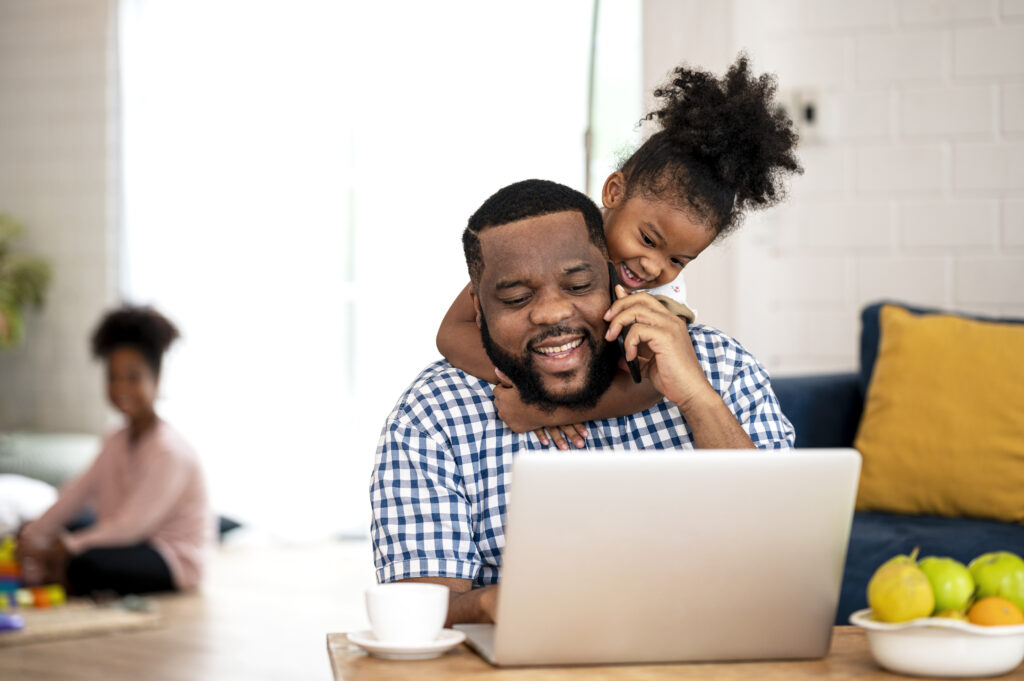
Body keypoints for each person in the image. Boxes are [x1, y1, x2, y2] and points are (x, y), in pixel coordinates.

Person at [371, 178, 795, 626]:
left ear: (610, 277)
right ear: (479, 306)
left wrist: (695, 396)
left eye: (578, 286)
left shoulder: (719, 368)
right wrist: (485, 604)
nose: (552, 313)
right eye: (516, 298)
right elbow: (410, 618)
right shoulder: (433, 416)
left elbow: (784, 563)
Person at [436, 54, 801, 451]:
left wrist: (548, 410)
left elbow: (644, 388)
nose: (654, 267)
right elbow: (451, 333)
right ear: (613, 193)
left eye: (678, 261)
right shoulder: (554, 240)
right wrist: (525, 377)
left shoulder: (660, 304)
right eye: (647, 239)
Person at [17, 305, 213, 596]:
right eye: (112, 377)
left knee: (84, 561)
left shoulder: (170, 451)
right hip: (131, 540)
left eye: (133, 378)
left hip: (169, 556)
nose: (121, 388)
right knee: (69, 530)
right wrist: (34, 534)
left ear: (156, 381)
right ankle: (53, 570)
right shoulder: (115, 440)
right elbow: (77, 492)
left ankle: (58, 573)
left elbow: (132, 526)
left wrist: (69, 546)